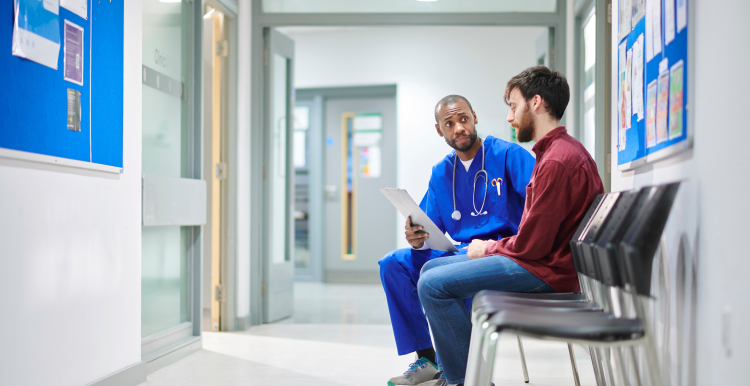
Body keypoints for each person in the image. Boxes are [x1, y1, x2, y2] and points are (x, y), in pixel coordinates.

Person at [418, 66, 605, 386]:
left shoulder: (557, 161)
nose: (509, 117)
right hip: (544, 261)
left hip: (546, 269)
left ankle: (463, 381)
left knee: (432, 286)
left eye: (513, 106)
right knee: (428, 273)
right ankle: (465, 377)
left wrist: (487, 247)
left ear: (536, 103)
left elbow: (533, 245)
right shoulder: (556, 154)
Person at [379, 95, 536, 386]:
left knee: (448, 273)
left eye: (463, 119)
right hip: (460, 251)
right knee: (393, 264)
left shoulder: (508, 155)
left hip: (500, 253)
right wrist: (415, 238)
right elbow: (428, 229)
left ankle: (461, 370)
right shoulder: (441, 172)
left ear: (474, 117)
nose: (458, 128)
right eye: (449, 123)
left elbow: (539, 207)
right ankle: (428, 360)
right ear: (439, 130)